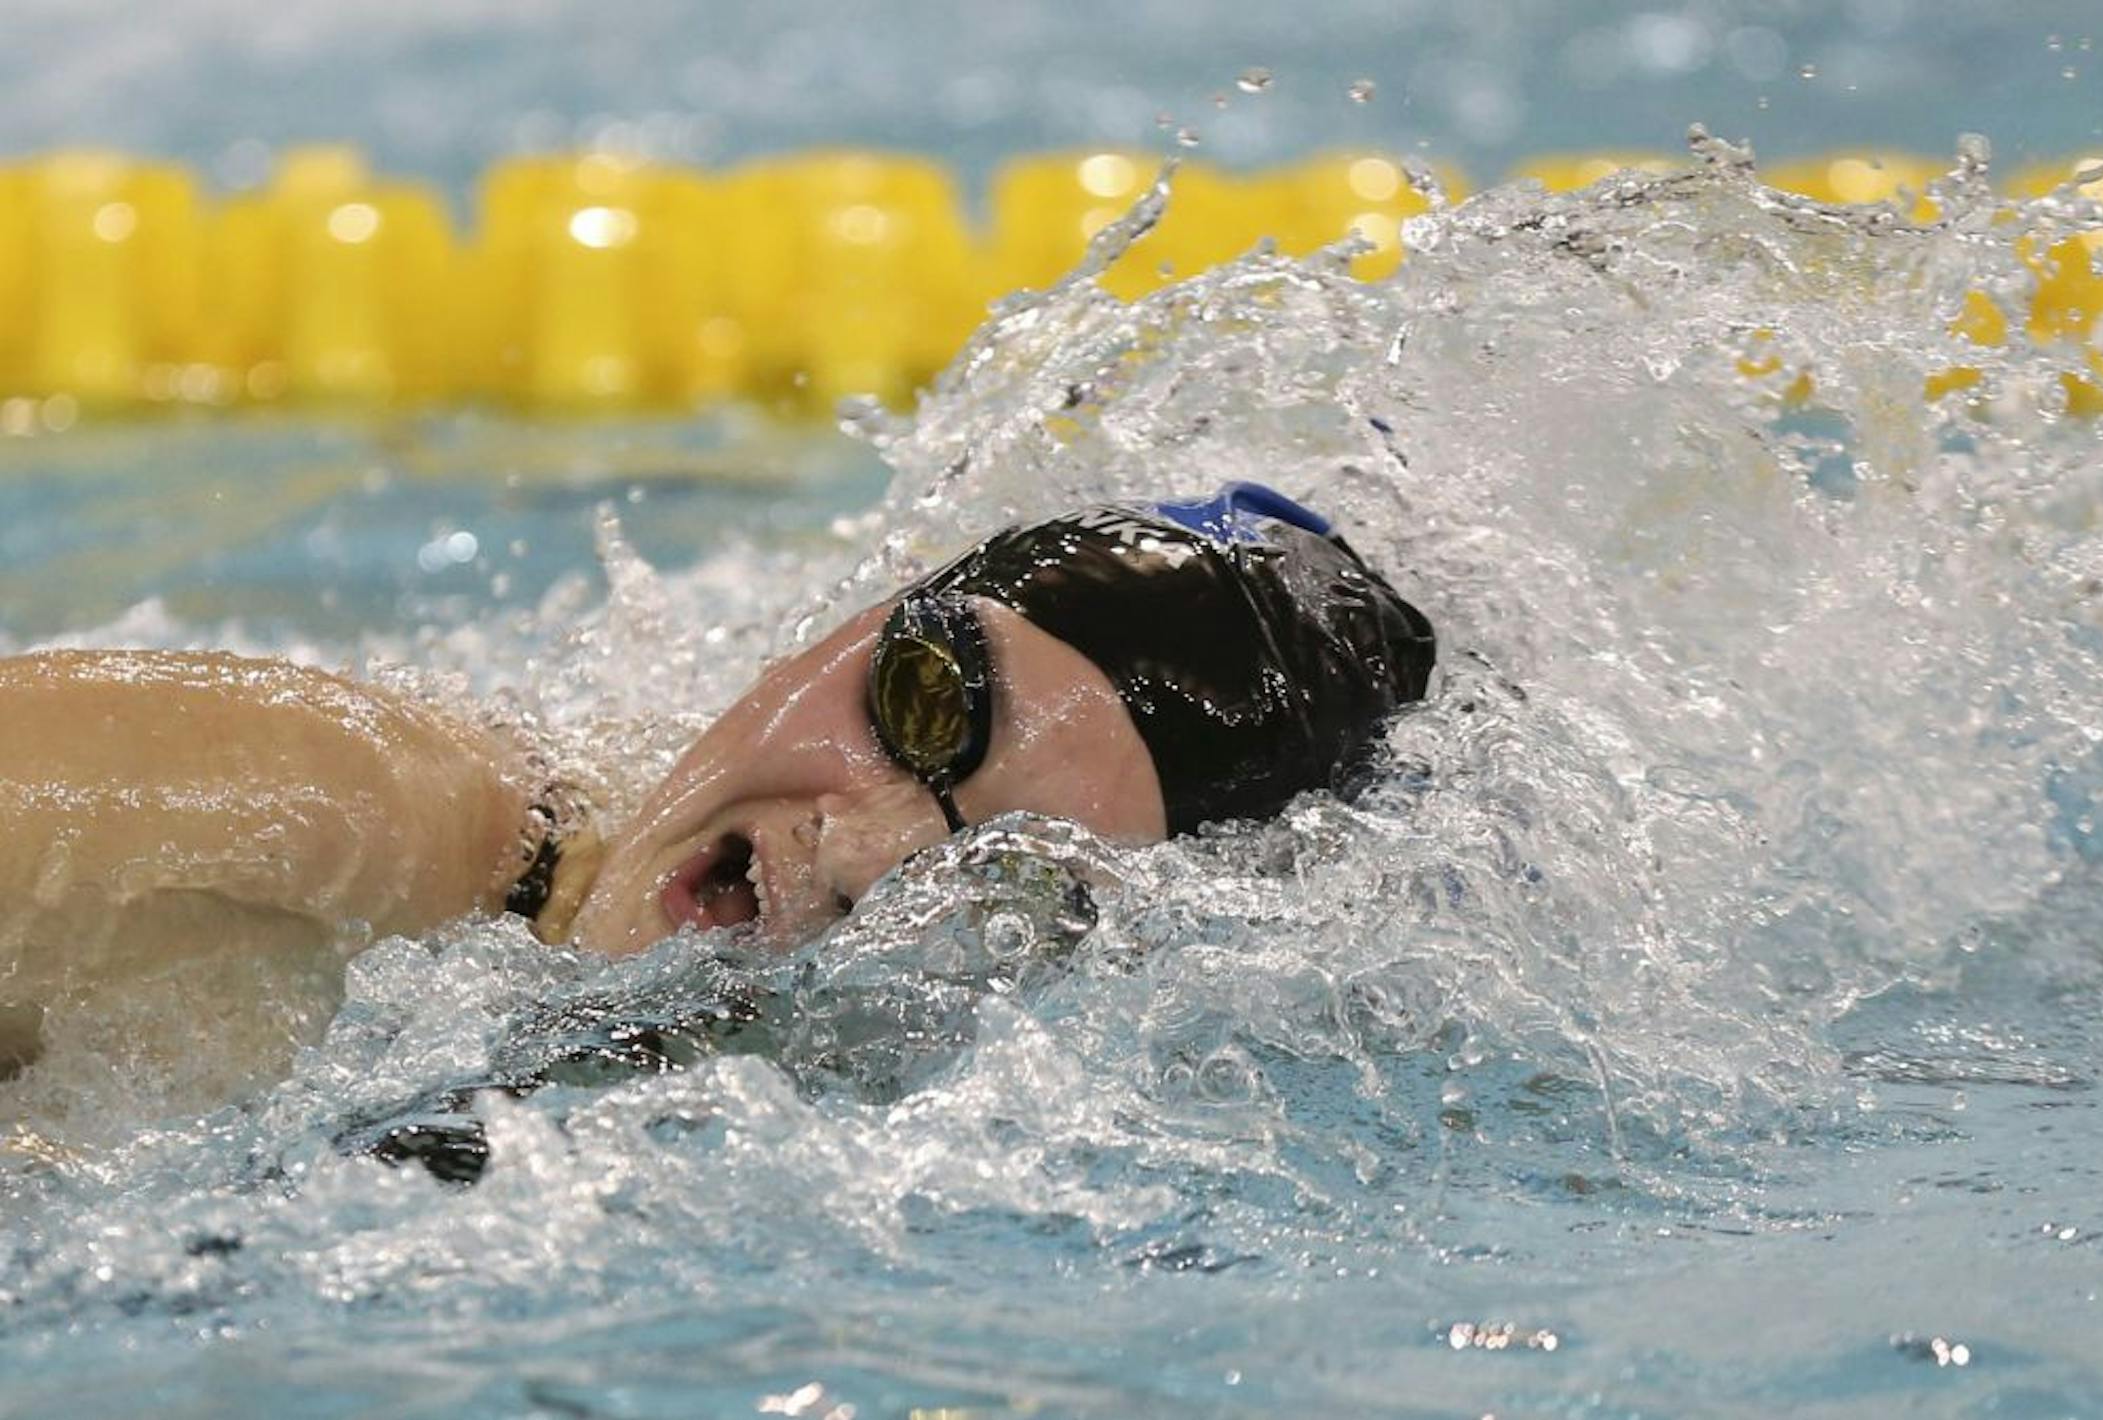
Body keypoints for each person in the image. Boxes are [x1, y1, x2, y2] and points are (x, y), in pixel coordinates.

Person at [0, 483, 1433, 1078]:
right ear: (857, 615)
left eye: (1017, 878)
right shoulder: (334, 809)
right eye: (927, 705)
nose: (874, 854)